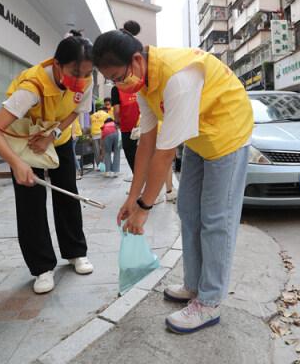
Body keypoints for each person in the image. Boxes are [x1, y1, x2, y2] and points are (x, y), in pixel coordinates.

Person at [93, 28, 253, 334]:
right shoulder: (142, 82)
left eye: (117, 77)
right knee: (188, 211)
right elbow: (146, 143)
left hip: (228, 133)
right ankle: (194, 285)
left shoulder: (178, 79)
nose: (118, 85)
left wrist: (144, 208)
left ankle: (209, 301)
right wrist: (132, 196)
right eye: (111, 80)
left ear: (136, 60)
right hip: (198, 135)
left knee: (217, 219)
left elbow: (164, 156)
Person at [0, 33, 94, 295]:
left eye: (87, 73)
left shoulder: (85, 81)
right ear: (57, 64)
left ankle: (76, 252)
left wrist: (52, 135)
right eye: (74, 72)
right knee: (30, 199)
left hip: (58, 136)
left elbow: (76, 112)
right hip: (24, 141)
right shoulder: (31, 88)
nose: (80, 80)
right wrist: (16, 163)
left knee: (67, 193)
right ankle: (42, 267)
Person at [110, 20, 142, 175]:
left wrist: (117, 121)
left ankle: (139, 183)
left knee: (132, 156)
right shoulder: (139, 83)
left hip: (128, 127)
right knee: (146, 155)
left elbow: (116, 110)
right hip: (143, 124)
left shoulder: (117, 88)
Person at [90, 104, 110, 170]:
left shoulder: (92, 115)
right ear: (105, 110)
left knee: (97, 151)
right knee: (104, 149)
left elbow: (90, 125)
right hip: (102, 133)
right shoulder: (106, 115)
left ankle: (99, 166)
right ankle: (103, 164)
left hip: (94, 134)